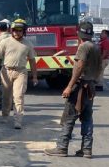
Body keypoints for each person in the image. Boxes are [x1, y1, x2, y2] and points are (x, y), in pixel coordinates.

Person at [44, 21, 103, 158]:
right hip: (90, 86)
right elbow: (99, 67)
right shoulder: (95, 47)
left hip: (80, 86)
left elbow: (80, 65)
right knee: (87, 118)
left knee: (69, 116)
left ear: (79, 34)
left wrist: (70, 86)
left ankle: (62, 147)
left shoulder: (83, 47)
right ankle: (87, 149)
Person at [0, 19, 38, 129]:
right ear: (11, 31)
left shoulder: (28, 44)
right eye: (14, 30)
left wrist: (35, 77)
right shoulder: (5, 42)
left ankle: (18, 120)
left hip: (21, 72)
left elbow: (32, 61)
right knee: (6, 96)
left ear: (24, 31)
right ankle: (5, 115)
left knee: (18, 96)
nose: (17, 33)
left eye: (19, 30)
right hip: (6, 71)